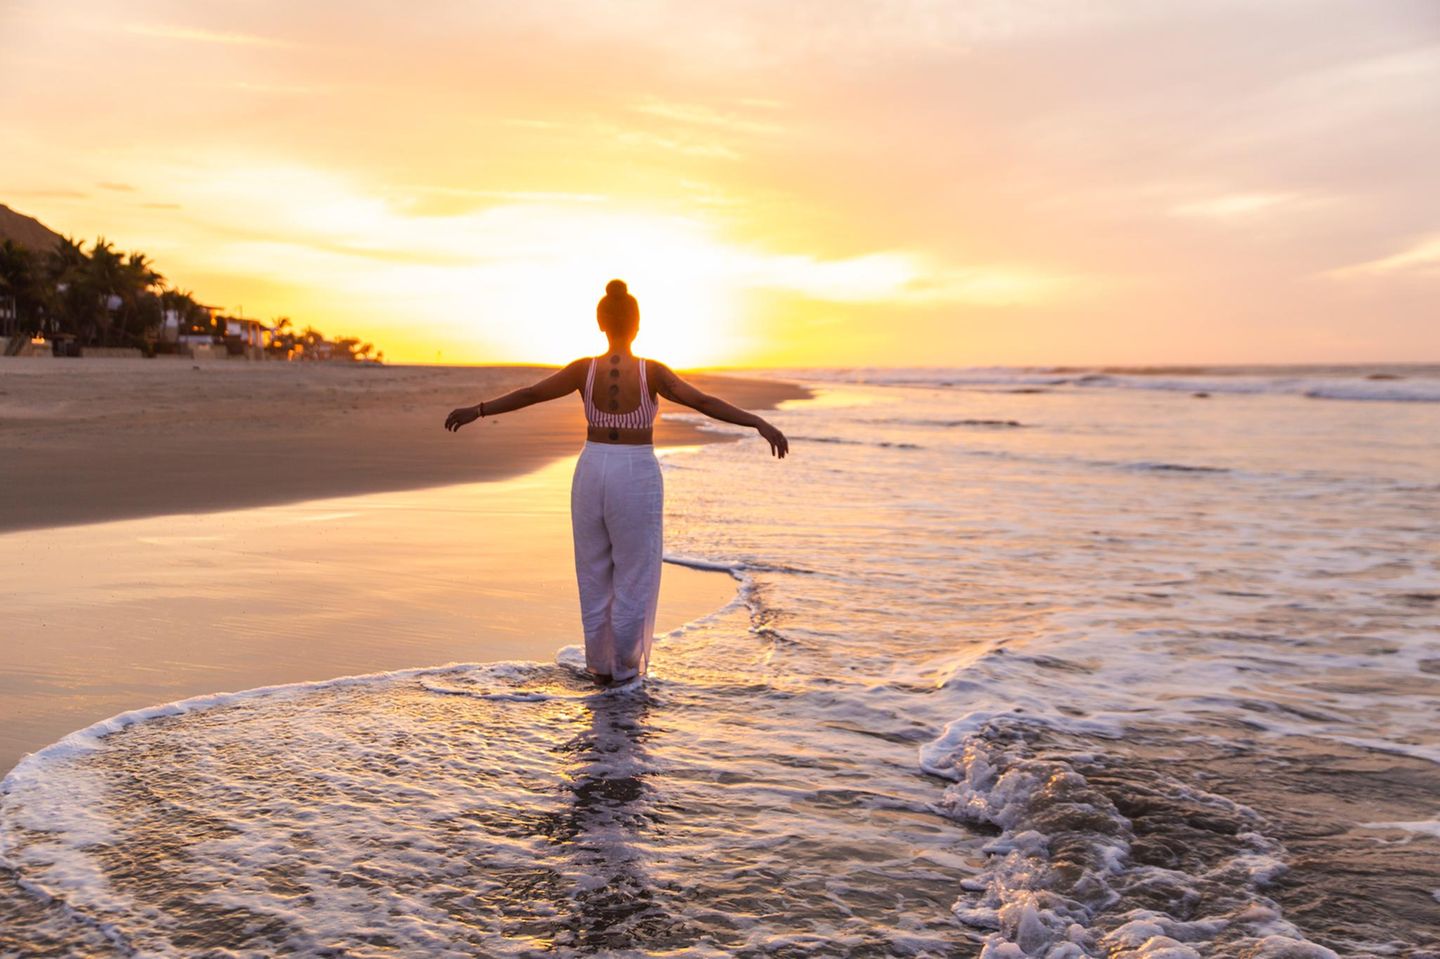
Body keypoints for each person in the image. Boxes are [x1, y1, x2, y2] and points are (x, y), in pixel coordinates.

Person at [444, 279, 789, 686]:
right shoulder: (653, 372)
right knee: (634, 573)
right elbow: (704, 402)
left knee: (593, 573)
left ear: (600, 322)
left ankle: (601, 669)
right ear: (637, 324)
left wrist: (479, 410)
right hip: (635, 473)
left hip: (591, 470)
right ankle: (625, 676)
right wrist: (757, 422)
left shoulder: (582, 369)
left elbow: (531, 394)